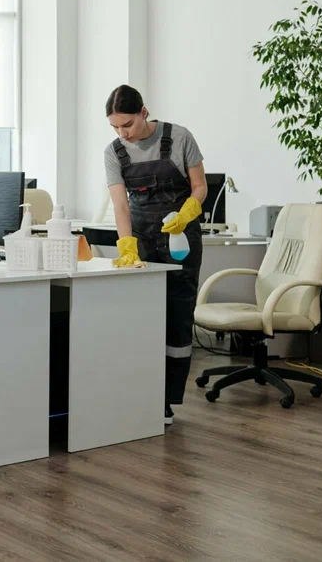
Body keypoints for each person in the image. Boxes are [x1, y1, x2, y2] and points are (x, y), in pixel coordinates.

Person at [104, 85, 206, 426]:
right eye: (115, 127)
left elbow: (200, 186)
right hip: (142, 237)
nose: (123, 133)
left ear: (144, 112)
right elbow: (120, 205)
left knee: (177, 315)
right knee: (141, 317)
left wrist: (188, 212)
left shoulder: (179, 137)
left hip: (180, 236)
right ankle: (139, 393)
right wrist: (126, 245)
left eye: (128, 124)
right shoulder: (114, 152)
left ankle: (166, 400)